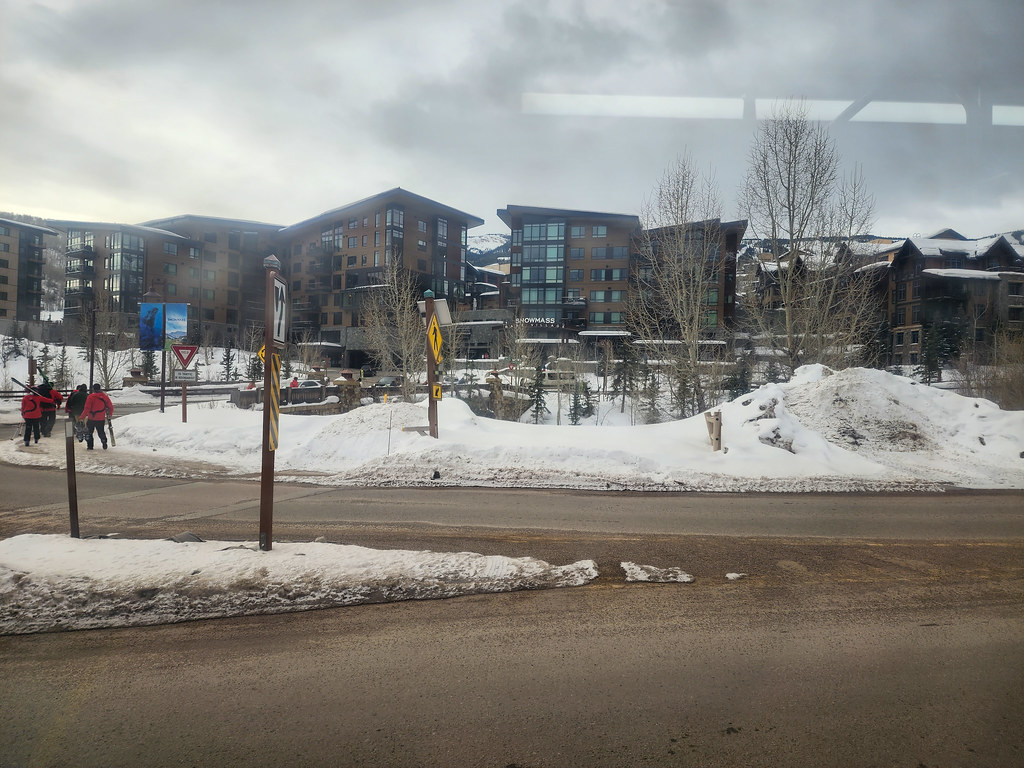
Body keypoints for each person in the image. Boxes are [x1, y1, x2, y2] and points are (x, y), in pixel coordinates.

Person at [83, 383, 114, 450]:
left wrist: (82, 416)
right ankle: (104, 441)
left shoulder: (90, 397)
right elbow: (110, 407)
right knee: (101, 431)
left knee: (89, 432)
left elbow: (87, 408)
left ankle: (90, 446)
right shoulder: (104, 397)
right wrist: (109, 415)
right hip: (100, 418)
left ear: (93, 389)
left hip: (91, 418)